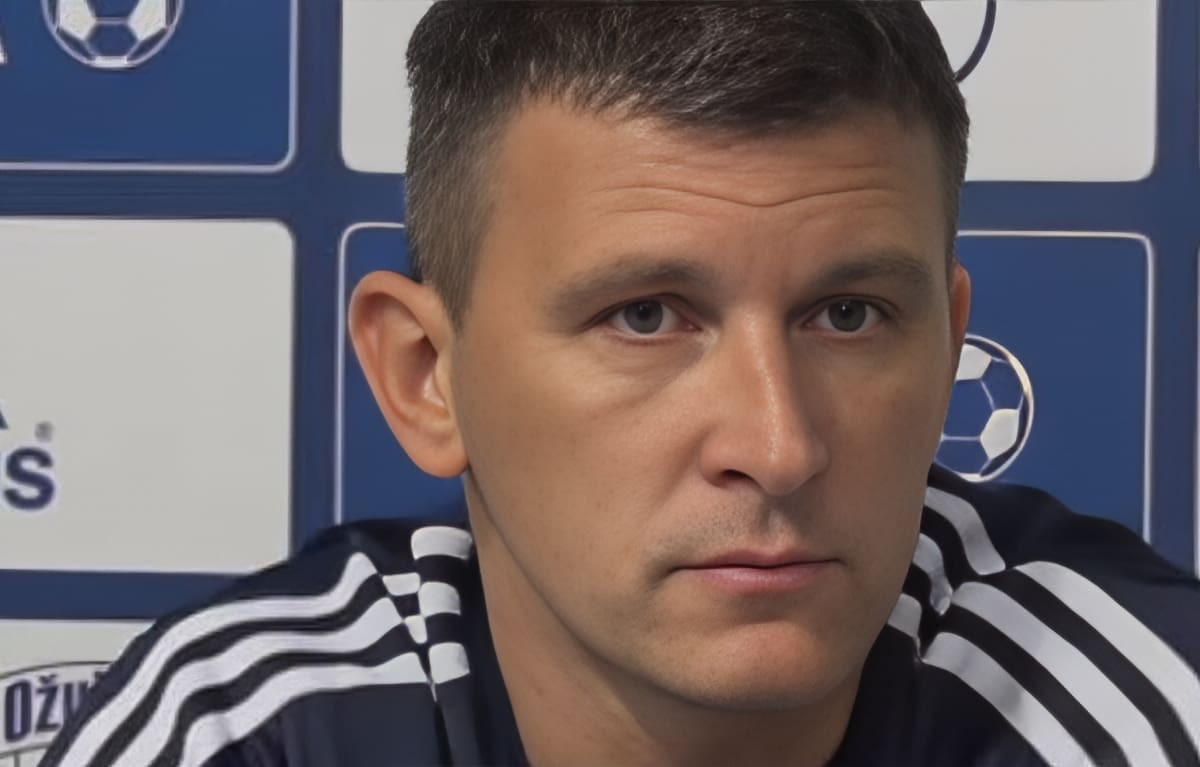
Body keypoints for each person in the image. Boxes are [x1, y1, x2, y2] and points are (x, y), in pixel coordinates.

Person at [41, 2, 1200, 766]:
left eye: (848, 315)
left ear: (945, 350)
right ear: (428, 374)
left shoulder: (1146, 707)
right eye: (645, 316)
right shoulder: (250, 732)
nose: (778, 442)